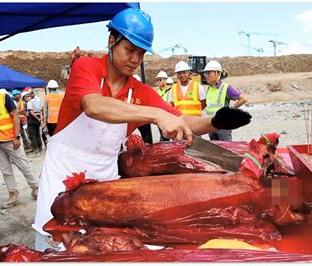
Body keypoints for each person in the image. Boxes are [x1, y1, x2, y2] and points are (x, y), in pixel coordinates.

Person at [32, 7, 252, 251]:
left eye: (141, 53)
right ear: (111, 41)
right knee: (58, 248)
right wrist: (156, 114)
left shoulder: (140, 92)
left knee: (102, 248)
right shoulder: (87, 67)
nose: (135, 59)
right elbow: (93, 105)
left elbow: (181, 120)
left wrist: (215, 122)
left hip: (104, 181)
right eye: (129, 50)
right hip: (62, 175)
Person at [0, 73, 39, 209]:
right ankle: (13, 194)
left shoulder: (3, 97)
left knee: (23, 164)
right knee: (5, 169)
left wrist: (16, 137)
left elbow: (15, 115)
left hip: (10, 139)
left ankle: (36, 187)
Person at [203, 60, 248, 141]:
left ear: (217, 74)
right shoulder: (209, 88)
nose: (206, 75)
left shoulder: (226, 87)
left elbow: (243, 99)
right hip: (211, 125)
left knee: (226, 149)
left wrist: (230, 110)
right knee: (214, 150)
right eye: (205, 73)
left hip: (223, 126)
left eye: (209, 73)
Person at [24, 90, 45, 156]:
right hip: (38, 119)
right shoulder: (37, 101)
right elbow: (41, 111)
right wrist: (40, 119)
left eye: (26, 97)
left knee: (32, 136)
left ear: (28, 96)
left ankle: (36, 151)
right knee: (38, 135)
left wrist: (37, 118)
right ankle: (40, 149)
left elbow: (32, 112)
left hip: (32, 120)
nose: (25, 98)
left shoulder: (29, 102)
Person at [155, 71, 171, 141]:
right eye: (157, 80)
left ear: (165, 80)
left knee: (167, 135)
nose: (158, 82)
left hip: (168, 116)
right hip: (160, 116)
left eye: (160, 80)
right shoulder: (158, 92)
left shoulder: (170, 90)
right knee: (162, 135)